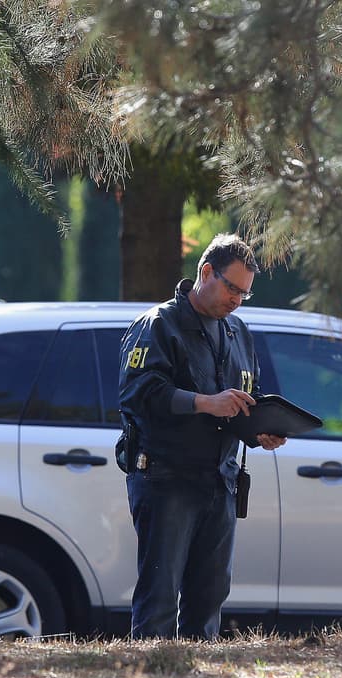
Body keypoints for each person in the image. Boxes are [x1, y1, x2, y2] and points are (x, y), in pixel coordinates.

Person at [118, 233, 286, 639]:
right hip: (167, 478)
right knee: (159, 597)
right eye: (232, 288)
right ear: (206, 272)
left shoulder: (237, 333)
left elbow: (244, 398)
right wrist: (203, 402)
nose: (237, 300)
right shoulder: (159, 325)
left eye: (245, 294)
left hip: (219, 481)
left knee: (209, 597)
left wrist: (258, 429)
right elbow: (137, 393)